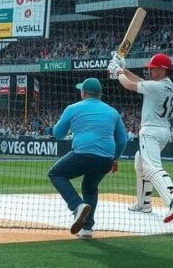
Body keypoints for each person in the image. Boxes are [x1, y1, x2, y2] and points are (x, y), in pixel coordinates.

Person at [108, 52, 173, 223]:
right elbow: (138, 81)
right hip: (163, 131)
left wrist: (118, 72)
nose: (150, 71)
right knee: (140, 162)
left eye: (153, 69)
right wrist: (122, 68)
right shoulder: (164, 86)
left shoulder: (156, 87)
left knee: (151, 167)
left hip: (150, 132)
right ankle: (144, 204)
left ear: (162, 70)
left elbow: (129, 85)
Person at [47, 78, 128, 240]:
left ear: (83, 93)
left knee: (55, 174)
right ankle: (87, 228)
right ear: (99, 94)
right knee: (90, 187)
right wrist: (115, 159)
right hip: (105, 158)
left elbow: (58, 134)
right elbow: (122, 140)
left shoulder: (72, 108)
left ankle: (76, 206)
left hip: (83, 153)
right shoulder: (112, 112)